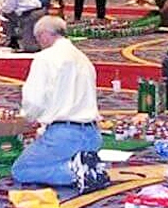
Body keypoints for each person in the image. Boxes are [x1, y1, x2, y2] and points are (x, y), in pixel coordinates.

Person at [10, 16, 109, 192]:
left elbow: (34, 99)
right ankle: (87, 166)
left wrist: (28, 118)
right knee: (54, 156)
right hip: (92, 134)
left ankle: (74, 172)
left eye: (38, 39)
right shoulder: (83, 58)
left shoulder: (45, 58)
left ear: (44, 35)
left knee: (22, 170)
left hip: (65, 135)